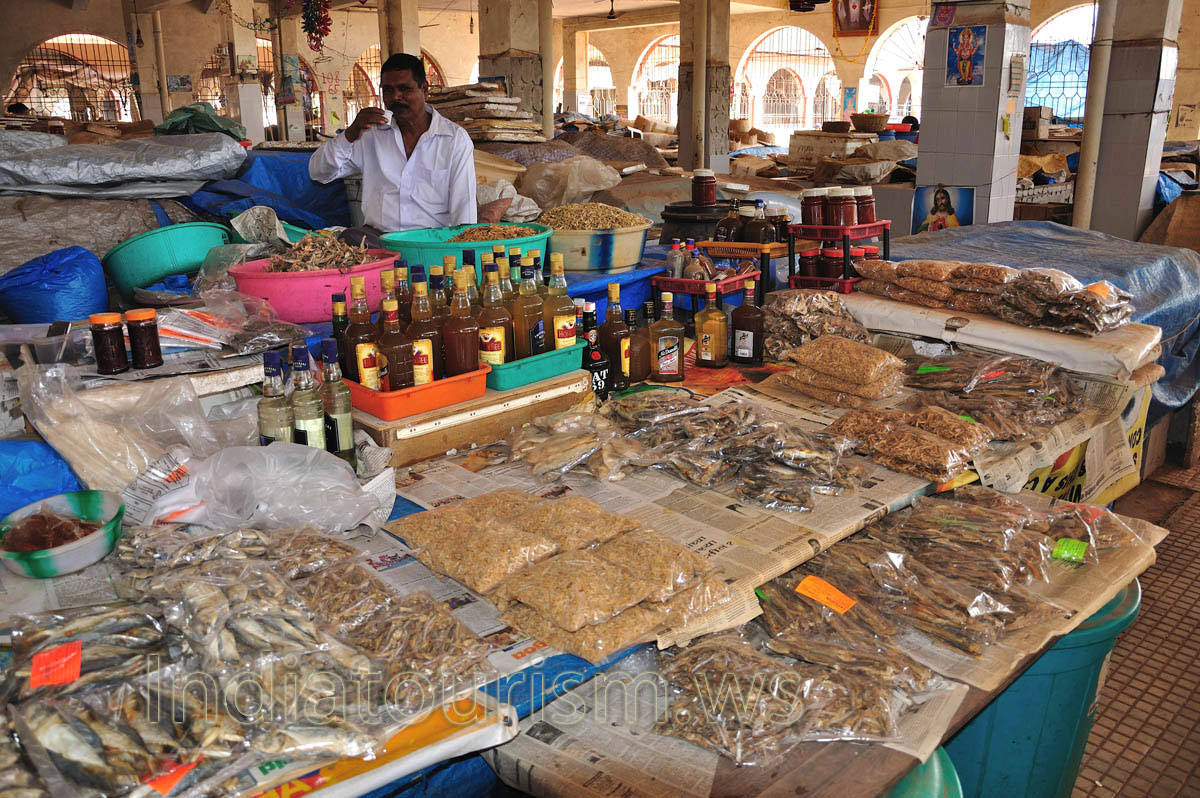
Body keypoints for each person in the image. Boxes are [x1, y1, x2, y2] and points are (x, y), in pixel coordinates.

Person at [309, 53, 476, 246]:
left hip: (431, 243)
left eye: (405, 89)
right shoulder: (369, 134)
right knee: (350, 238)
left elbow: (464, 210)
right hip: (379, 240)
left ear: (425, 90)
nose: (396, 97)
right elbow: (318, 173)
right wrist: (351, 133)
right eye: (388, 90)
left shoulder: (454, 140)